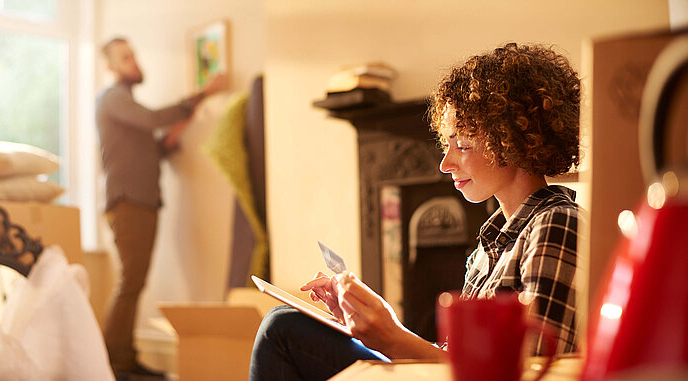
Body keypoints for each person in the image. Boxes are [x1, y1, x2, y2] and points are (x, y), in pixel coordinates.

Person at [249, 42, 581, 381]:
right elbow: (451, 364)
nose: (445, 163)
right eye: (446, 144)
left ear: (514, 140)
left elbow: (534, 373)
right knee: (285, 323)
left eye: (463, 145)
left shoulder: (557, 223)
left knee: (283, 330)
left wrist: (392, 337)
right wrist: (374, 325)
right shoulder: (491, 241)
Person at [96, 37, 225, 379]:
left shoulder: (125, 107)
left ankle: (123, 359)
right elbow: (152, 119)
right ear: (110, 67)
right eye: (125, 58)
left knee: (134, 282)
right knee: (130, 282)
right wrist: (203, 94)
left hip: (141, 201)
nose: (133, 61)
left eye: (133, 55)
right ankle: (115, 364)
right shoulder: (112, 98)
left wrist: (178, 129)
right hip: (128, 202)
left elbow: (155, 146)